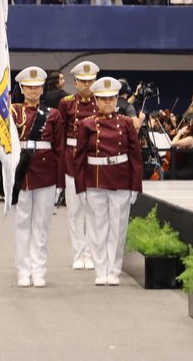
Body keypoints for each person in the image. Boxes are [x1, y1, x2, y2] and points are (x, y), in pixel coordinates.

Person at [73, 77, 142, 286]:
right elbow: (79, 157)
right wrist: (80, 186)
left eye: (111, 98)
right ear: (96, 100)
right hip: (95, 178)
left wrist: (135, 185)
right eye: (103, 99)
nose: (108, 103)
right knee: (97, 227)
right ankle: (100, 269)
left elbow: (135, 156)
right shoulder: (87, 124)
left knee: (118, 228)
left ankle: (114, 269)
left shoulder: (127, 123)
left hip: (121, 178)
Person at [10, 67, 63, 287]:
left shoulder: (53, 114)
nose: (33, 90)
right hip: (22, 173)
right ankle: (23, 270)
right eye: (29, 86)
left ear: (42, 89)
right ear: (21, 88)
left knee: (42, 225)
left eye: (37, 86)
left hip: (46, 172)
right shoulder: (12, 112)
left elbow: (59, 149)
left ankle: (39, 269)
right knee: (22, 223)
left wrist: (60, 182)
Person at [57, 61, 100, 270]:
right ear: (75, 82)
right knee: (74, 210)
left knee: (93, 210)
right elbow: (61, 134)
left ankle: (91, 253)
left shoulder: (100, 102)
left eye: (90, 80)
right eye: (82, 81)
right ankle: (78, 253)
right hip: (72, 157)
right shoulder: (66, 103)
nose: (87, 85)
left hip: (92, 160)